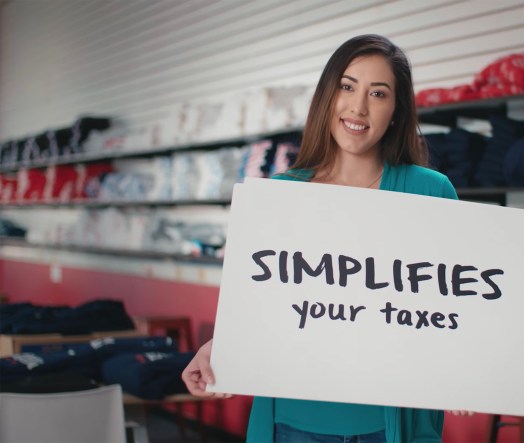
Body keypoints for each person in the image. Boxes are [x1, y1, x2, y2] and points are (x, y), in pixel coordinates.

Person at [182, 34, 469, 443]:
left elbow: (455, 310)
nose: (358, 107)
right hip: (293, 422)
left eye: (378, 93)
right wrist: (220, 348)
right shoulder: (278, 194)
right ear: (326, 96)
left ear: (396, 110)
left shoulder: (431, 192)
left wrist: (466, 370)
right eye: (347, 87)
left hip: (389, 424)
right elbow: (261, 304)